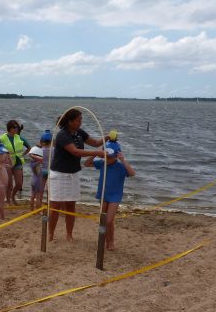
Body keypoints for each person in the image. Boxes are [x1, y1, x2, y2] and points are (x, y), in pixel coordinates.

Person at [48, 108, 106, 241]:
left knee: (71, 205)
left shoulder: (79, 132)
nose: (81, 122)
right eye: (78, 120)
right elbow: (75, 152)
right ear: (70, 122)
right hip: (59, 174)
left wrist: (106, 138)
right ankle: (50, 233)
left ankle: (69, 234)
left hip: (73, 173)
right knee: (55, 206)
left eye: (81, 119)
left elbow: (95, 143)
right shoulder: (62, 135)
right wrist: (96, 153)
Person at [84, 141, 135, 251]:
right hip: (103, 194)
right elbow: (86, 164)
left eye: (110, 157)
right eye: (106, 156)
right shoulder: (102, 163)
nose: (108, 158)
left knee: (109, 220)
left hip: (115, 196)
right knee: (103, 220)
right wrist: (96, 153)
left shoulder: (120, 166)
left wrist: (123, 160)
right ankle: (105, 240)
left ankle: (111, 242)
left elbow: (132, 173)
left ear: (116, 156)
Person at [0, 120, 31, 204]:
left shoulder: (19, 137)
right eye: (14, 127)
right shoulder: (3, 138)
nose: (16, 128)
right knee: (9, 184)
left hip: (18, 162)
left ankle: (13, 196)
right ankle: (9, 200)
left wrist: (23, 155)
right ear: (9, 128)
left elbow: (29, 147)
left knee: (19, 183)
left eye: (17, 127)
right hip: (7, 164)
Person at [28, 130, 52, 211]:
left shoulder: (39, 151)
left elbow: (34, 155)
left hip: (40, 172)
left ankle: (35, 208)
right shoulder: (53, 150)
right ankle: (48, 205)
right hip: (49, 171)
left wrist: (32, 155)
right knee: (48, 190)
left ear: (42, 141)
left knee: (39, 193)